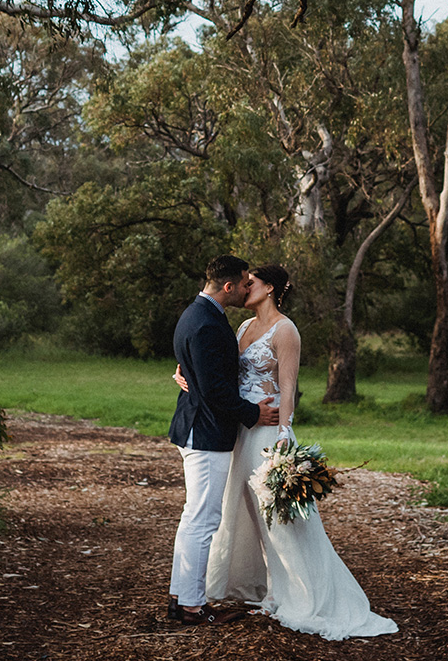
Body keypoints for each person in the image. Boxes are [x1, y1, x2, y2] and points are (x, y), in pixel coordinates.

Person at [178, 264, 397, 640]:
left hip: (267, 433)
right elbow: (217, 371)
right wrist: (186, 376)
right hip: (240, 432)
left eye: (253, 283)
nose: (246, 287)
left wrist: (283, 435)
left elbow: (288, 388)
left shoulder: (286, 330)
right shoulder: (243, 328)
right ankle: (268, 588)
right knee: (244, 514)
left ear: (271, 288)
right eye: (244, 282)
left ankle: (307, 594)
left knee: (281, 521)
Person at [168, 255, 280, 626]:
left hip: (198, 426)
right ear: (228, 287)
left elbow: (202, 372)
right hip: (205, 431)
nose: (249, 287)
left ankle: (181, 596)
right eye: (245, 283)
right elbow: (216, 390)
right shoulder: (209, 325)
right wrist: (254, 414)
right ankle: (192, 607)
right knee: (203, 520)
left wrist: (186, 374)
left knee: (194, 518)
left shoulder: (196, 314)